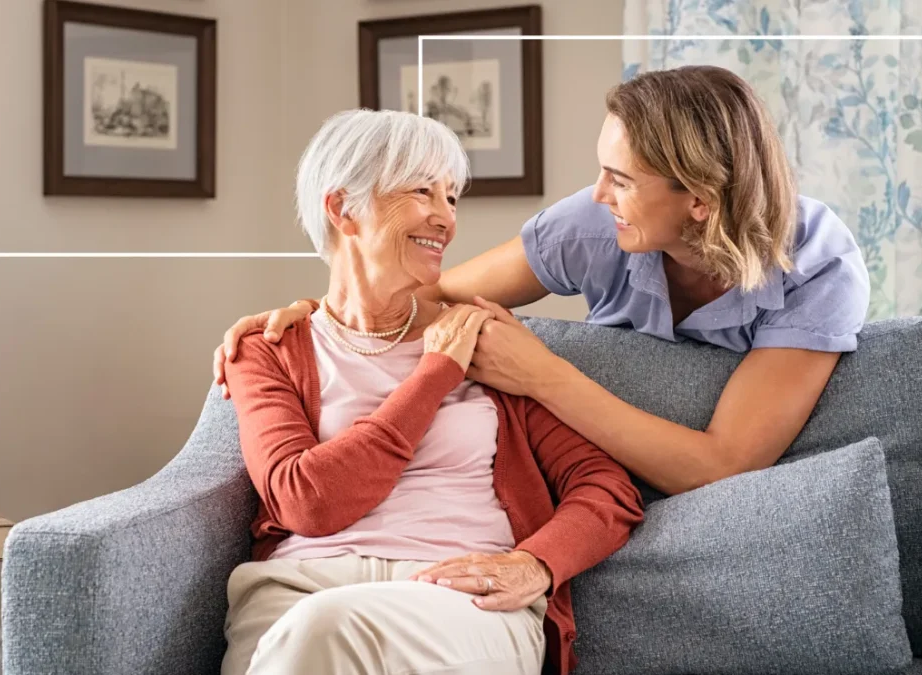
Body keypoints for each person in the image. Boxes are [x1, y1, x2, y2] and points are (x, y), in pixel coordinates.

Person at [215, 65, 871, 497]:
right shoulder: (592, 225)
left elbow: (725, 465)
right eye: (601, 168)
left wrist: (541, 373)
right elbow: (428, 299)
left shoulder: (817, 263)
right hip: (591, 477)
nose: (596, 192)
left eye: (622, 179)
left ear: (699, 199)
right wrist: (316, 314)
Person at [219, 108, 643, 675]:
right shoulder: (268, 347)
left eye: (452, 198)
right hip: (296, 591)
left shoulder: (484, 341)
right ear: (343, 209)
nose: (446, 219)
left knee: (322, 633)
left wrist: (536, 565)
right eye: (423, 192)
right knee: (310, 631)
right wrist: (434, 374)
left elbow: (605, 488)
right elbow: (306, 502)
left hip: (456, 594)